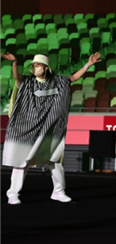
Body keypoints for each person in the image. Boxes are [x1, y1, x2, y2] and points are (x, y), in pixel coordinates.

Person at [1, 52, 102, 205]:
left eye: (38, 65)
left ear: (46, 68)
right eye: (34, 65)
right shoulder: (28, 82)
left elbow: (73, 78)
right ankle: (13, 194)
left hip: (49, 128)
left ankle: (58, 192)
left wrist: (88, 64)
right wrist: (14, 62)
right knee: (21, 161)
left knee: (54, 160)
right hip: (27, 128)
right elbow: (16, 77)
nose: (35, 68)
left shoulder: (58, 82)